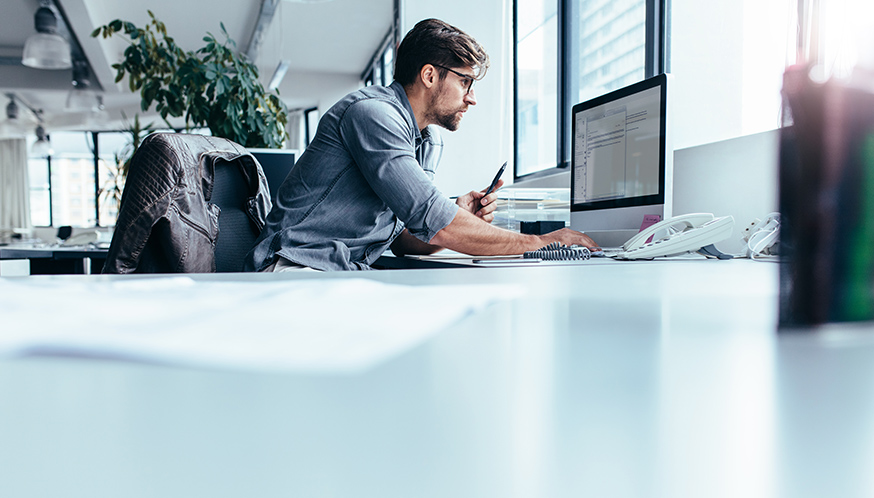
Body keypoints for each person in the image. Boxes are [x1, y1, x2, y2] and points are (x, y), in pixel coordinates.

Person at [244, 18, 597, 272]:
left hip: (342, 272)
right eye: (465, 82)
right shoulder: (372, 115)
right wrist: (542, 244)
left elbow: (402, 239)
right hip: (295, 268)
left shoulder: (427, 139)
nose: (472, 98)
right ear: (429, 75)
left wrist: (458, 212)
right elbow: (436, 220)